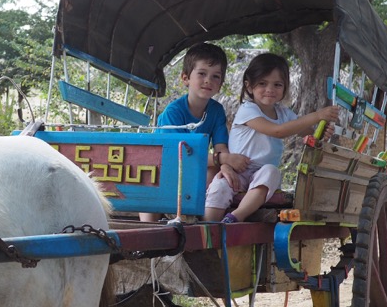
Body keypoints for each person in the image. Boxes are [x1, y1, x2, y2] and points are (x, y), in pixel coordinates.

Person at [204, 52, 340, 223]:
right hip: (237, 170)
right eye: (262, 83)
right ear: (249, 86)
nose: (270, 89)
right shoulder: (248, 109)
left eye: (277, 84)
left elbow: (307, 130)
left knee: (272, 172)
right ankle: (207, 227)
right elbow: (278, 131)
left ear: (285, 88)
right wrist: (317, 115)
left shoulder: (284, 113)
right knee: (220, 186)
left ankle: (235, 217)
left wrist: (321, 130)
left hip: (260, 174)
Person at [140, 43, 249, 222]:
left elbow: (221, 146)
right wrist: (222, 159)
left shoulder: (216, 111)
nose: (208, 80)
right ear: (185, 78)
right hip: (166, 168)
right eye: (202, 74)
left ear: (220, 84)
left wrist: (225, 165)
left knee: (216, 171)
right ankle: (147, 232)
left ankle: (192, 215)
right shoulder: (173, 112)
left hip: (192, 174)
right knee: (151, 185)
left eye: (215, 76)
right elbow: (177, 154)